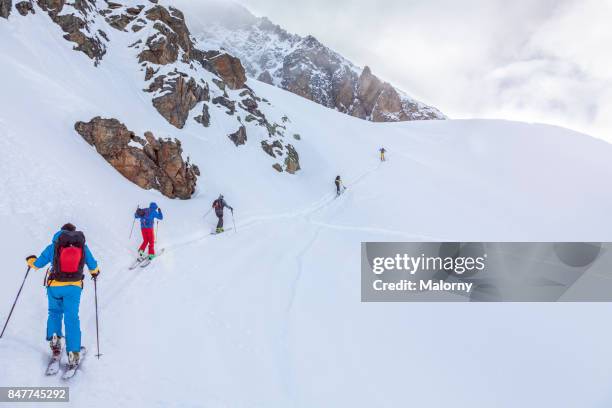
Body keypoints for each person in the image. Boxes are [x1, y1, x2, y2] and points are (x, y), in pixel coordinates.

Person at [26, 223, 99, 369]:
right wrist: (94, 272)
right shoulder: (82, 246)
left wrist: (30, 261)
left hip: (54, 286)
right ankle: (73, 353)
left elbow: (37, 264)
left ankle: (55, 339)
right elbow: (93, 266)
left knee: (54, 313)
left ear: (61, 233)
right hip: (73, 287)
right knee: (72, 318)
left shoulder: (54, 245)